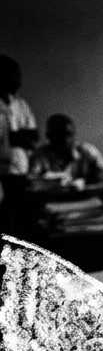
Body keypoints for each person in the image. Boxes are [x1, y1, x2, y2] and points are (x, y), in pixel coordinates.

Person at [0, 55, 38, 232]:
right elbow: (21, 137)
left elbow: (33, 137)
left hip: (19, 171)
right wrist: (19, 136)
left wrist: (18, 136)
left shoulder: (21, 105)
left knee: (21, 221)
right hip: (1, 172)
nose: (18, 79)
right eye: (12, 74)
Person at [29, 114, 103, 185]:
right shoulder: (39, 155)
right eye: (60, 135)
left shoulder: (87, 151)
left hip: (86, 199)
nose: (66, 140)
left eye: (69, 134)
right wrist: (51, 181)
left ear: (75, 135)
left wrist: (96, 178)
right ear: (48, 136)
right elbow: (31, 182)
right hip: (53, 200)